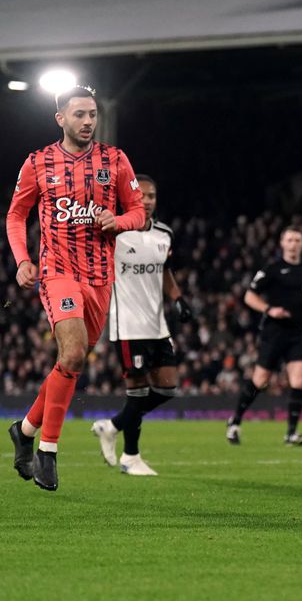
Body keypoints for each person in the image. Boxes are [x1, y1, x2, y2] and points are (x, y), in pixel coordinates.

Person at [6, 85, 146, 491]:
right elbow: (16, 216)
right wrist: (23, 260)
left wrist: (117, 222)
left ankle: (26, 429)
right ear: (60, 119)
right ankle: (47, 451)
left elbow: (138, 212)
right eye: (79, 114)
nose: (88, 121)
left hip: (101, 276)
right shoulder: (38, 162)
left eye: (92, 114)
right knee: (70, 351)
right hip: (57, 272)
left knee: (72, 362)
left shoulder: (115, 161)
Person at [90, 174, 193, 475]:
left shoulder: (164, 234)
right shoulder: (116, 233)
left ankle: (112, 426)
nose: (147, 201)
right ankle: (130, 457)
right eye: (142, 196)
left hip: (157, 325)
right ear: (130, 199)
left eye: (152, 196)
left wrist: (178, 298)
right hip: (128, 324)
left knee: (167, 389)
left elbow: (165, 271)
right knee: (136, 392)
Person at [226, 226, 302, 446]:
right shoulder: (272, 269)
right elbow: (249, 296)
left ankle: (291, 433)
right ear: (282, 243)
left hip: (298, 331)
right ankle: (235, 421)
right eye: (290, 240)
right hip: (274, 331)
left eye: (297, 240)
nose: (294, 243)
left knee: (299, 380)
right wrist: (269, 309)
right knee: (260, 380)